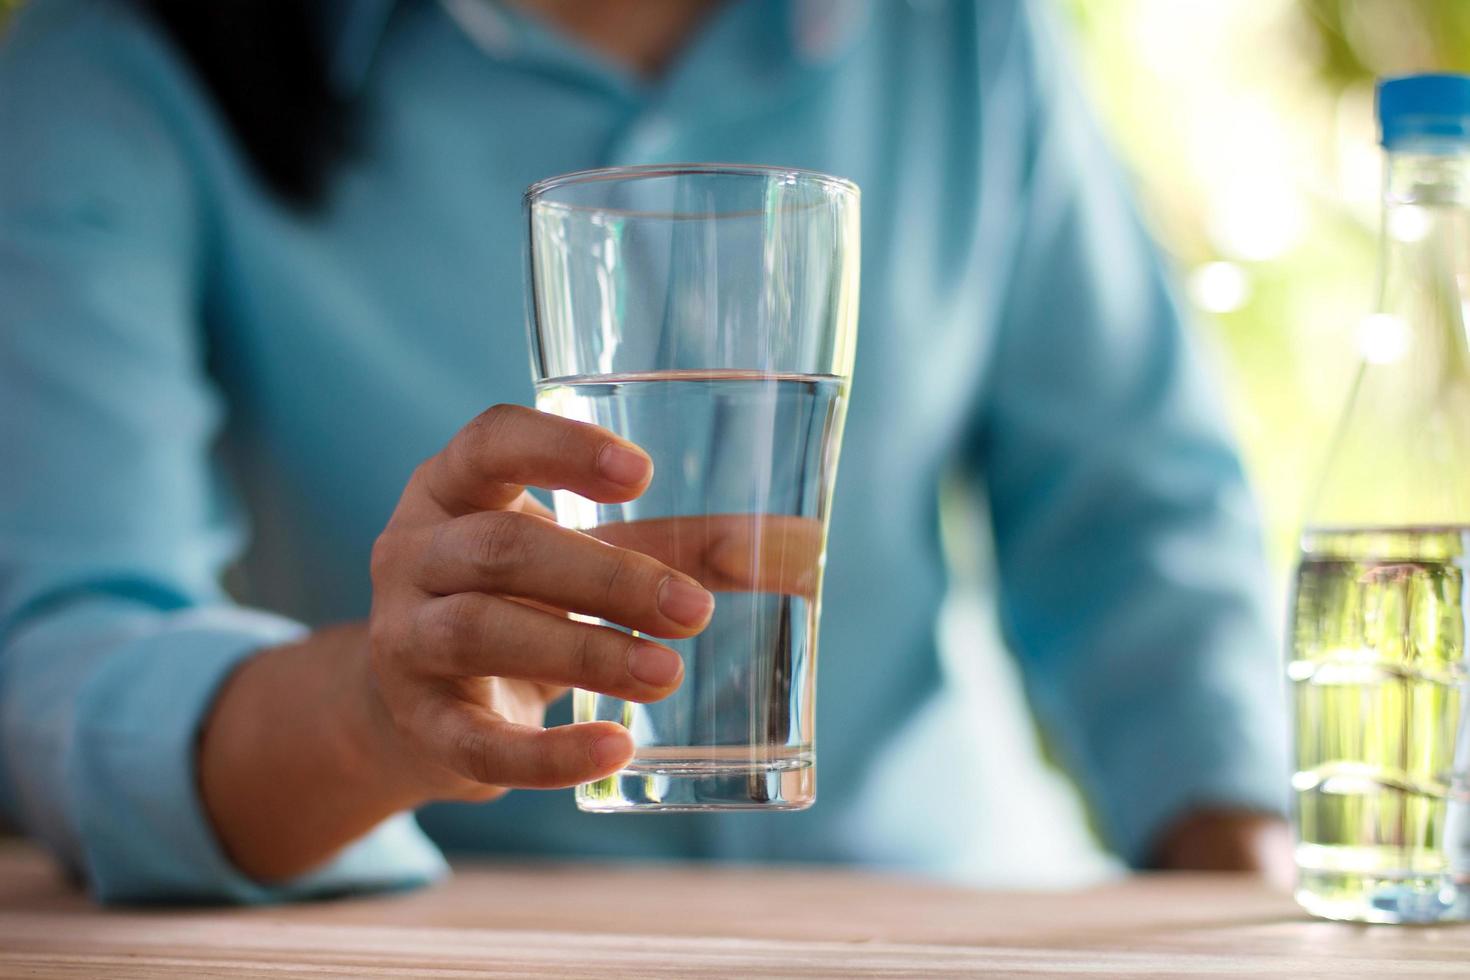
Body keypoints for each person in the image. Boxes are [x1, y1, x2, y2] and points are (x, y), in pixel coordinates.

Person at [0, 0, 1290, 902]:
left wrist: (1249, 880)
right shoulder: (113, 62)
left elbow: (1134, 519)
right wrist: (375, 713)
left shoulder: (963, 28)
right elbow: (64, 655)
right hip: (474, 936)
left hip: (957, 902)